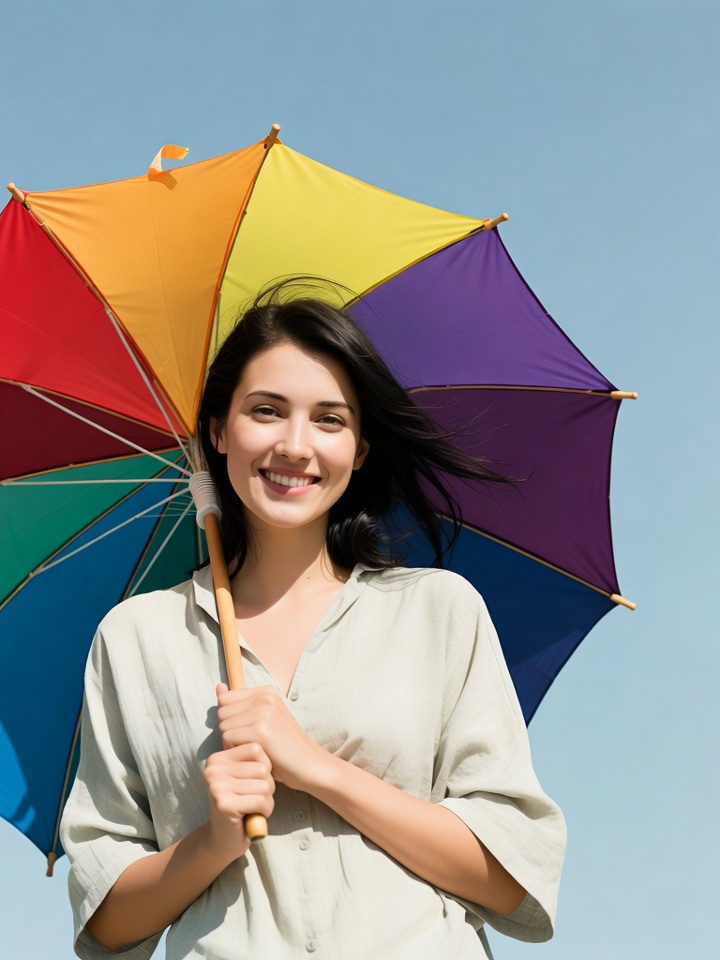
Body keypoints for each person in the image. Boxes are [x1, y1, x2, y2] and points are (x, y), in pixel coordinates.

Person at [60, 291, 566, 959]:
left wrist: (315, 767)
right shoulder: (136, 638)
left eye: (329, 420)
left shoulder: (439, 610)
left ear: (360, 449)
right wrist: (212, 842)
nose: (295, 446)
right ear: (218, 431)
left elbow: (509, 879)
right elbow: (106, 923)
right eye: (266, 411)